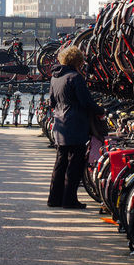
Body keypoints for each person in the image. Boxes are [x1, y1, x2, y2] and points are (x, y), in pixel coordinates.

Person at [46, 44, 102, 209]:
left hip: (59, 125)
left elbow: (52, 102)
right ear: (77, 61)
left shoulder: (55, 77)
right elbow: (86, 101)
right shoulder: (75, 78)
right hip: (75, 125)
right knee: (74, 164)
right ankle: (69, 200)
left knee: (60, 162)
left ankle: (54, 198)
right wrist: (100, 110)